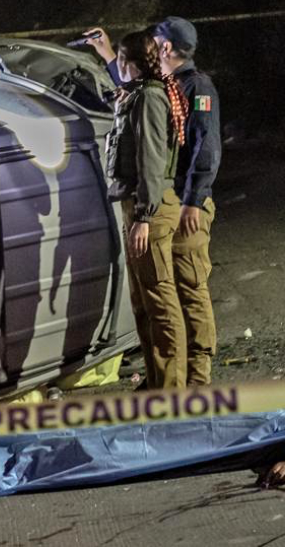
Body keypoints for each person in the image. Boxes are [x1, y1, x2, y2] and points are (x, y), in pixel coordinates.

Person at [87, 18, 221, 387]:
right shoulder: (161, 86)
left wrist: (194, 199)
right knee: (164, 294)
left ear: (166, 48)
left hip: (180, 203)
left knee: (188, 290)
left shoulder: (196, 86)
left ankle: (194, 377)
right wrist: (108, 54)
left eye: (156, 41)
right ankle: (167, 376)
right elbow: (136, 87)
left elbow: (203, 148)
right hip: (164, 200)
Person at [105, 29, 189, 389]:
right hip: (136, 206)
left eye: (119, 59)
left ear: (129, 62)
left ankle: (172, 391)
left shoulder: (150, 99)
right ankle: (156, 383)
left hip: (149, 210)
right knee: (144, 302)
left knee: (161, 302)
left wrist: (143, 217)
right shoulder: (136, 95)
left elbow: (151, 162)